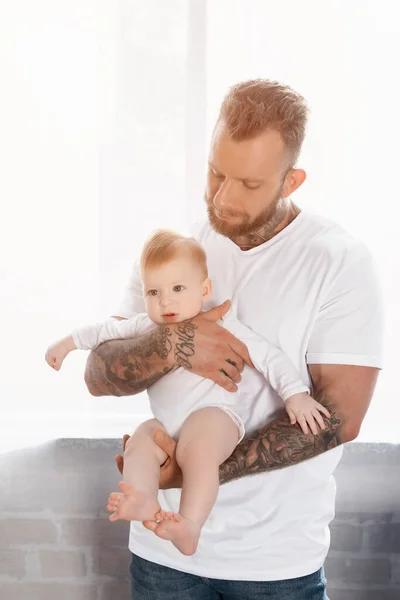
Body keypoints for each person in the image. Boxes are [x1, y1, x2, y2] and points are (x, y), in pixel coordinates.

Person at [85, 80, 383, 599]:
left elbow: (340, 417)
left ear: (292, 180)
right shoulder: (174, 248)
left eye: (247, 183)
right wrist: (173, 345)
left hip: (274, 564)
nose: (222, 198)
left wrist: (189, 471)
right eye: (215, 172)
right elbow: (98, 374)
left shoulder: (339, 263)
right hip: (159, 556)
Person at [45, 229, 329, 556]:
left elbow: (267, 357)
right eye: (154, 292)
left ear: (203, 290)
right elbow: (105, 332)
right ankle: (143, 498)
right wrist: (66, 344)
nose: (166, 301)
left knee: (198, 450)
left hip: (216, 416)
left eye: (178, 289)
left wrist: (295, 394)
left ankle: (190, 525)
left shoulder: (224, 323)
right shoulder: (144, 326)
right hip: (168, 422)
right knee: (141, 440)